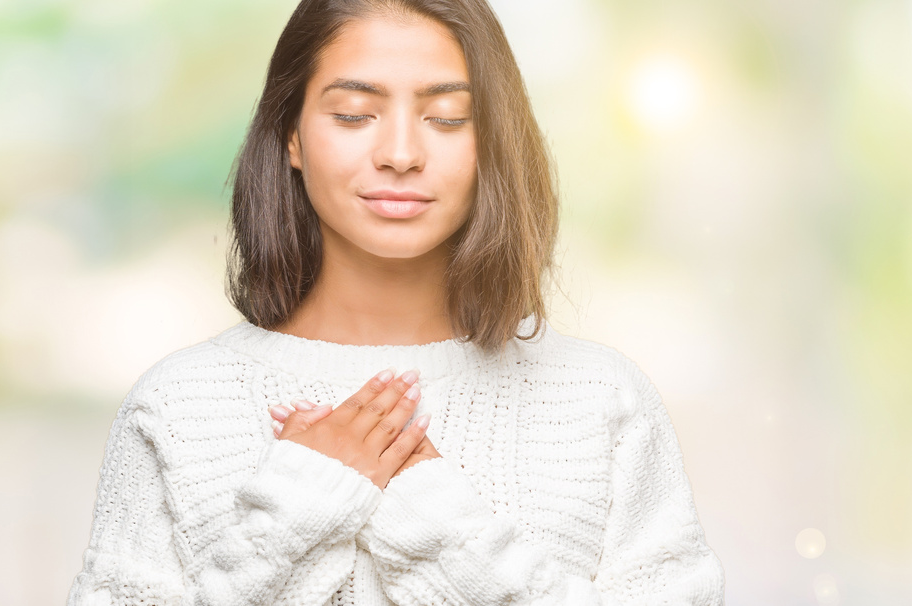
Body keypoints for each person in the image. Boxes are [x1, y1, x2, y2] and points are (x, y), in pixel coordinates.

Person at [66, 0, 726, 604]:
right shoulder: (179, 406)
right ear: (291, 136)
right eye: (354, 114)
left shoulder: (599, 401)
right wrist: (298, 515)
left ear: (493, 142)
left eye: (447, 119)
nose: (402, 153)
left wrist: (443, 532)